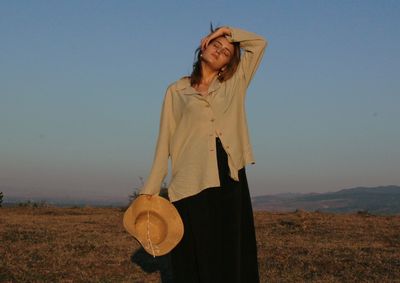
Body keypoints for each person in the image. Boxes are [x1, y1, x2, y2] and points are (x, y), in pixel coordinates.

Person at [139, 24, 267, 283]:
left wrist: (224, 31)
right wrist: (149, 192)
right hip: (190, 180)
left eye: (227, 52)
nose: (220, 51)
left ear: (227, 64)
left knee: (227, 252)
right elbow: (164, 142)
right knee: (192, 254)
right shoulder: (176, 91)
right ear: (203, 46)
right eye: (215, 45)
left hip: (227, 177)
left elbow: (259, 44)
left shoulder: (234, 83)